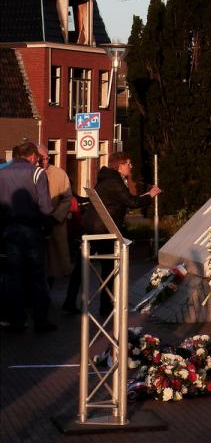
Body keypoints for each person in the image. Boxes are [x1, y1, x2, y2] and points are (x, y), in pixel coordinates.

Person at [80, 152, 161, 317]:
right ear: (119, 166)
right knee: (109, 267)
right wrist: (151, 195)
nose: (131, 166)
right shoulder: (114, 181)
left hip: (94, 226)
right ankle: (105, 306)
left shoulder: (106, 178)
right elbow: (132, 202)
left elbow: (126, 200)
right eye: (128, 163)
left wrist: (145, 195)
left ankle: (72, 300)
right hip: (103, 228)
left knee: (84, 266)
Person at [0, 142, 56, 332]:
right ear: (33, 156)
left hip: (10, 230)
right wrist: (47, 228)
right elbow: (45, 207)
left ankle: (17, 320)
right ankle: (40, 320)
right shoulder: (37, 173)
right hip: (32, 230)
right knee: (37, 276)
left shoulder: (2, 173)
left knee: (14, 276)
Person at [36, 146, 73, 287]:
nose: (45, 162)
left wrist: (55, 217)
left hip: (54, 223)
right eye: (42, 159)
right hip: (35, 223)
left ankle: (49, 285)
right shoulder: (30, 173)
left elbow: (67, 198)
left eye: (47, 159)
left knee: (53, 261)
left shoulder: (59, 174)